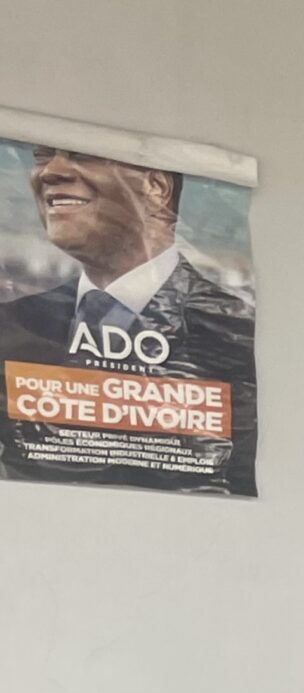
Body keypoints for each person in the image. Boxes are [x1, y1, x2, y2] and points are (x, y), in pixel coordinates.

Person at [0, 144, 257, 493]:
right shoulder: (13, 324)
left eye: (82, 154)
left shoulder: (232, 330)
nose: (50, 171)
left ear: (157, 187)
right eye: (42, 156)